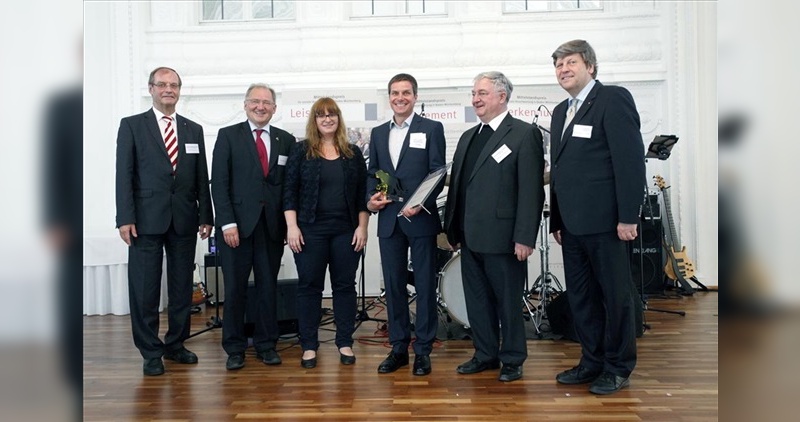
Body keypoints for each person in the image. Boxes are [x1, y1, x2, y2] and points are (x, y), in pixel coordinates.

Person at [549, 40, 646, 395]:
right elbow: (561, 171)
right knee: (581, 297)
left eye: (570, 62)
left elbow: (630, 161)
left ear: (590, 65)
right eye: (558, 65)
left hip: (607, 223)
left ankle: (619, 366)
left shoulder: (612, 99)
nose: (563, 69)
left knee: (615, 296)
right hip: (572, 227)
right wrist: (556, 220)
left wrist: (628, 216)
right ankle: (591, 361)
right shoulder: (561, 111)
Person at [443, 71, 544, 383]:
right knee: (477, 301)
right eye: (474, 93)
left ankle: (512, 358)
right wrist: (453, 229)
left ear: (502, 97)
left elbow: (531, 191)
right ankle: (485, 354)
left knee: (507, 304)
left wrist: (525, 237)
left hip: (505, 240)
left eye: (483, 93)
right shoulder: (468, 137)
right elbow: (459, 186)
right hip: (470, 237)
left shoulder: (524, 134)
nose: (476, 99)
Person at [115, 67, 214, 376]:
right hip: (144, 220)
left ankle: (175, 344)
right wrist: (124, 217)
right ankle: (150, 351)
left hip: (184, 219)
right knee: (145, 289)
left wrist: (206, 215)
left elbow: (201, 177)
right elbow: (124, 175)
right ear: (151, 88)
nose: (168, 89)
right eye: (162, 84)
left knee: (182, 287)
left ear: (179, 91)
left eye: (174, 85)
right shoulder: (132, 126)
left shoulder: (192, 129)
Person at [211, 83, 295, 370]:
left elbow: (287, 188)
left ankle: (266, 343)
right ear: (245, 105)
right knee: (234, 289)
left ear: (274, 108)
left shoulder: (286, 140)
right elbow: (219, 184)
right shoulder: (228, 136)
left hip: (271, 228)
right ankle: (234, 348)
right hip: (236, 228)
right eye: (255, 102)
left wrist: (287, 226)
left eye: (266, 103)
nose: (261, 107)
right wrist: (227, 223)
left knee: (267, 287)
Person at [366, 73, 446, 376]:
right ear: (389, 97)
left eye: (406, 93)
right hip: (388, 220)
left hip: (421, 219)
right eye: (395, 93)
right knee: (394, 287)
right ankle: (398, 348)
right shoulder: (376, 133)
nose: (400, 98)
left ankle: (423, 350)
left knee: (425, 286)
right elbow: (372, 172)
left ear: (415, 96)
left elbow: (437, 171)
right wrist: (370, 200)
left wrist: (420, 202)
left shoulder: (432, 128)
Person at [283, 97, 369, 369]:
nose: (327, 119)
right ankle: (309, 345)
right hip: (309, 231)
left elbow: (361, 197)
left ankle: (344, 341)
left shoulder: (353, 153)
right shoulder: (301, 151)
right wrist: (292, 227)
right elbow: (289, 192)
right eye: (321, 115)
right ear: (314, 120)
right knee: (310, 287)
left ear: (338, 118)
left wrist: (363, 227)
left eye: (332, 114)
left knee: (344, 287)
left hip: (346, 231)